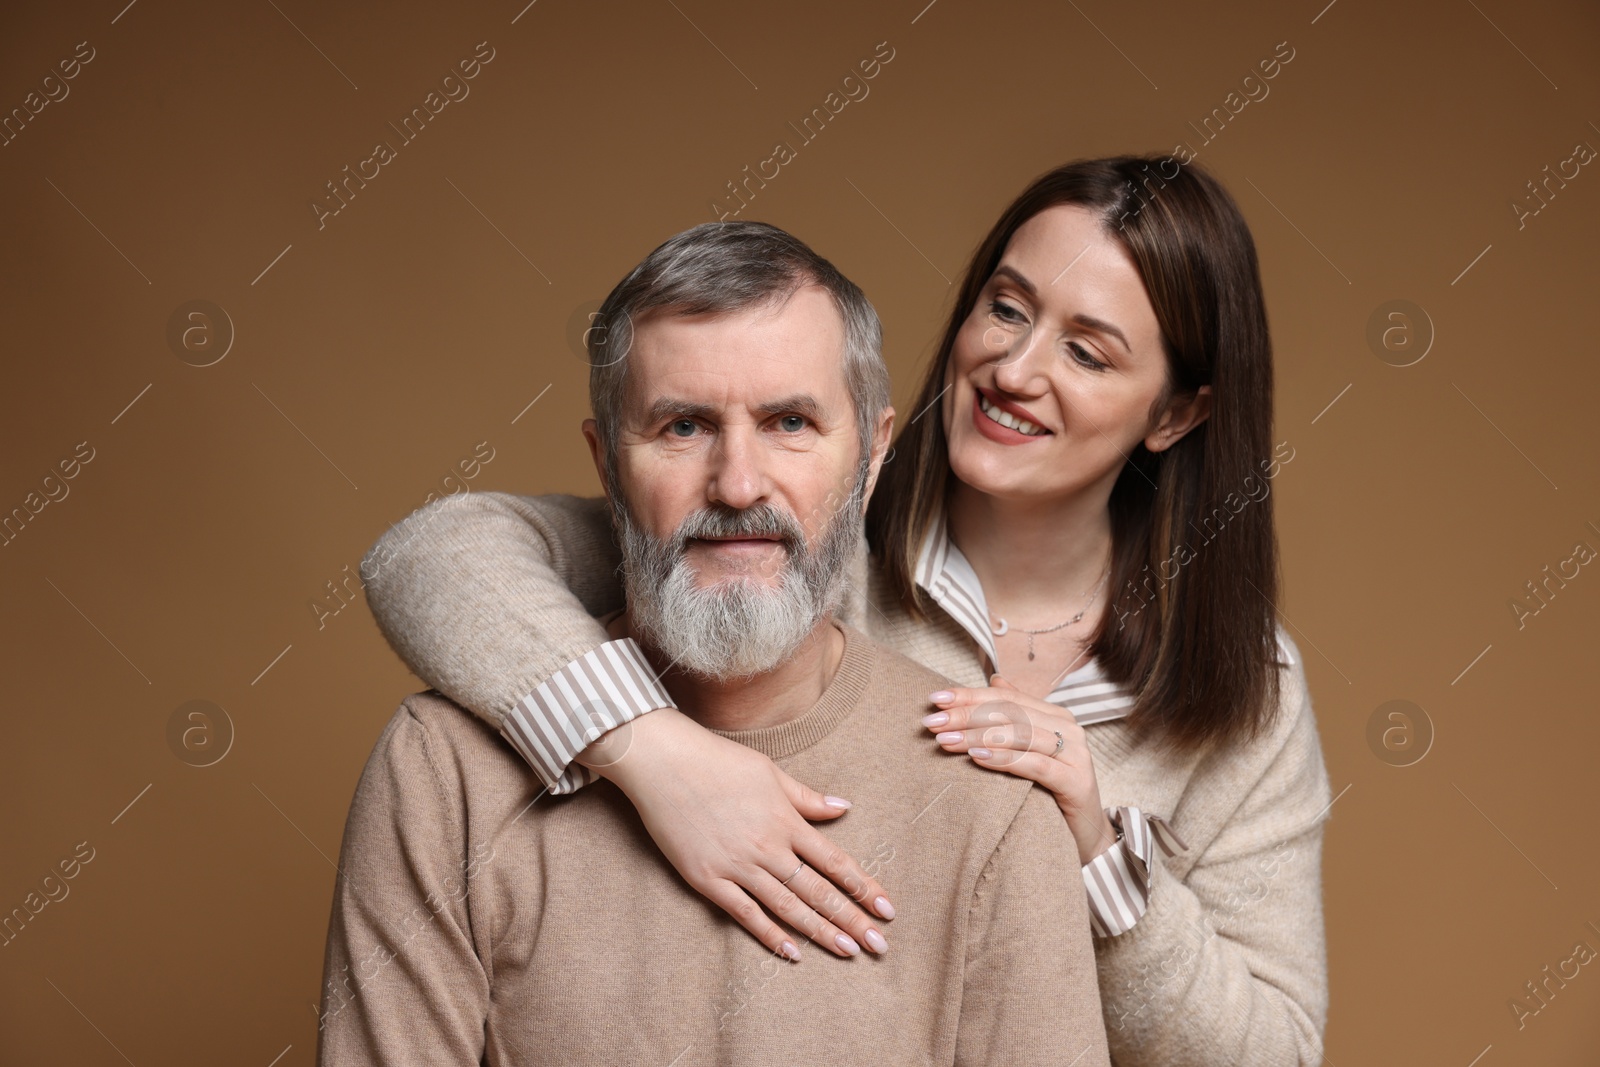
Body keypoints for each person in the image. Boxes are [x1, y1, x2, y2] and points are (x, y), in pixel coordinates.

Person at [361, 157, 1333, 1065]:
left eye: (1085, 350)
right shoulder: (792, 544)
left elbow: (1276, 1049)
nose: (1015, 369)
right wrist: (654, 749)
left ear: (1174, 413)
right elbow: (437, 553)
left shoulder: (1246, 686)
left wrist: (1092, 858)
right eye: (1006, 308)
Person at [318, 221, 1112, 1066]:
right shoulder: (445, 776)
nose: (737, 484)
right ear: (606, 463)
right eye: (684, 427)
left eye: (791, 422)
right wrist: (647, 749)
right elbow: (431, 550)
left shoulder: (990, 802)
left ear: (873, 455)